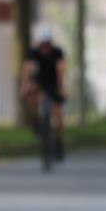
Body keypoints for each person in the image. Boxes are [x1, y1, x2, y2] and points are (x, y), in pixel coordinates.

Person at [21, 25, 67, 158]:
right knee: (30, 97)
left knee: (58, 117)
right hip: (39, 85)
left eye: (47, 45)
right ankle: (36, 122)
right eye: (42, 45)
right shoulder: (33, 53)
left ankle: (58, 142)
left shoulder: (57, 53)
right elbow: (26, 69)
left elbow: (61, 70)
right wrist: (26, 85)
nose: (45, 49)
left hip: (53, 85)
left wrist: (62, 86)